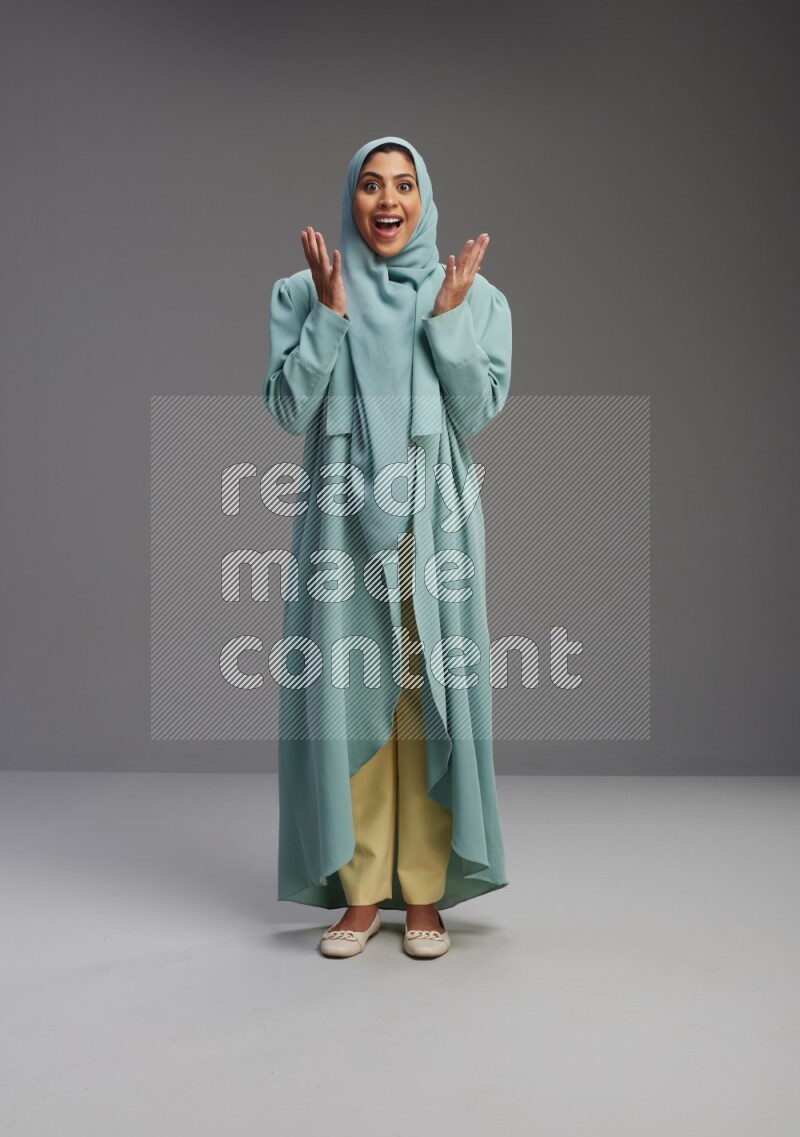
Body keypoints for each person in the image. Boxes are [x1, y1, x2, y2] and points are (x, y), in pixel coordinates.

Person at [263, 136, 512, 958]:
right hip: (340, 522)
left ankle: (427, 894)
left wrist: (447, 325)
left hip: (432, 524)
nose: (386, 199)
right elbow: (288, 409)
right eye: (370, 185)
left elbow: (475, 413)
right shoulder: (304, 293)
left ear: (424, 197)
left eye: (403, 184)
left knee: (425, 696)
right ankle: (363, 894)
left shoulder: (469, 297)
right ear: (352, 199)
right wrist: (329, 317)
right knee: (352, 696)